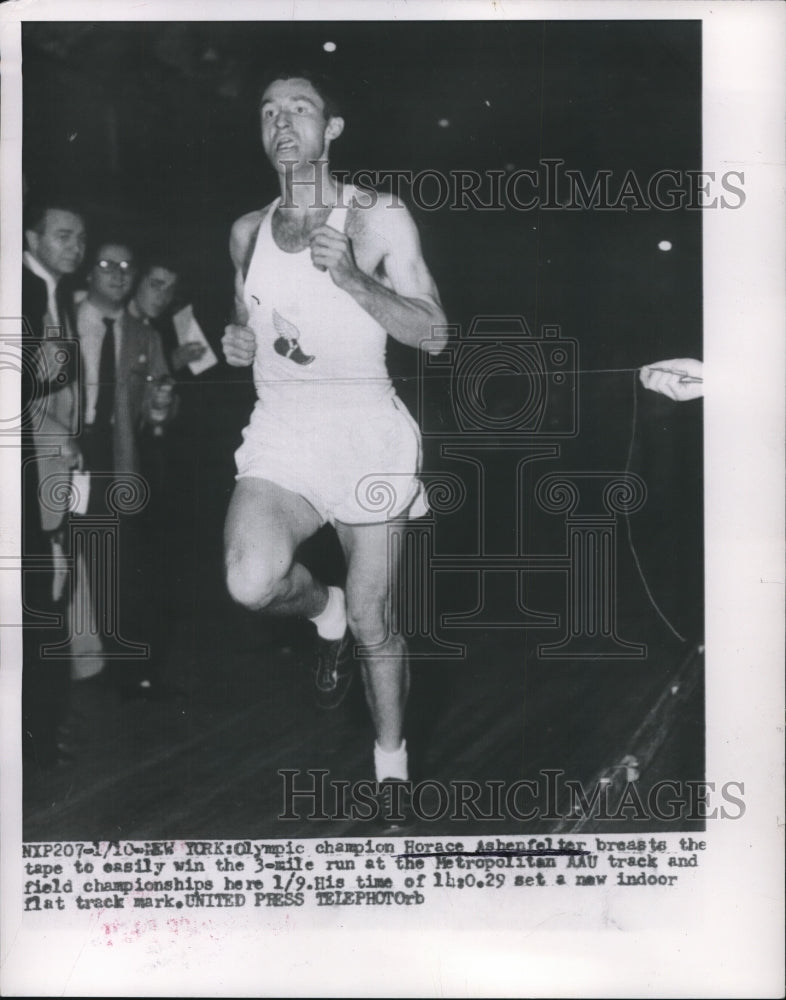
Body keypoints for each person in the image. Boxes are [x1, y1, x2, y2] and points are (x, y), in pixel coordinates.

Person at [221, 69, 447, 798]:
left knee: (376, 620)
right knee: (250, 580)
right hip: (283, 432)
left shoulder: (379, 217)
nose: (282, 122)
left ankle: (391, 767)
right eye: (268, 110)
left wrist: (353, 279)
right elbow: (253, 318)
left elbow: (435, 335)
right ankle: (322, 610)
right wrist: (239, 342)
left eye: (300, 108)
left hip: (364, 433)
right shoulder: (247, 232)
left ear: (333, 130)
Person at [75, 241, 174, 699]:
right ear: (88, 272)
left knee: (115, 563)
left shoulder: (145, 335)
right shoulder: (65, 318)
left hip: (116, 460)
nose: (117, 274)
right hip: (65, 451)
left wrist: (161, 408)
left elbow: (161, 411)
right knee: (62, 556)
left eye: (126, 266)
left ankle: (121, 666)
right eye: (106, 264)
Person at [21, 200, 86, 766]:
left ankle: (40, 732)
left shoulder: (52, 293)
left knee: (45, 600)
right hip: (17, 476)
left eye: (79, 238)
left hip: (44, 474)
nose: (75, 246)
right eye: (63, 235)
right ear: (30, 236)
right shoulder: (17, 290)